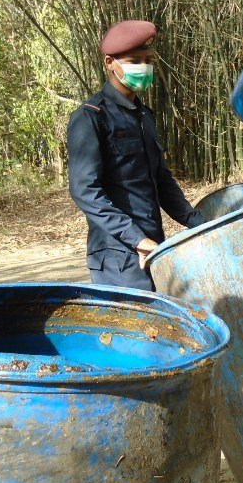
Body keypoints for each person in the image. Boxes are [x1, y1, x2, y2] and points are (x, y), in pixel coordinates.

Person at [67, 19, 204, 290]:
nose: (144, 67)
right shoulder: (91, 117)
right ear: (109, 62)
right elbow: (85, 190)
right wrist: (135, 239)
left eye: (148, 60)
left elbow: (161, 180)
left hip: (153, 244)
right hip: (118, 252)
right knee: (132, 331)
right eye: (135, 60)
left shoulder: (144, 116)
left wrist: (199, 222)